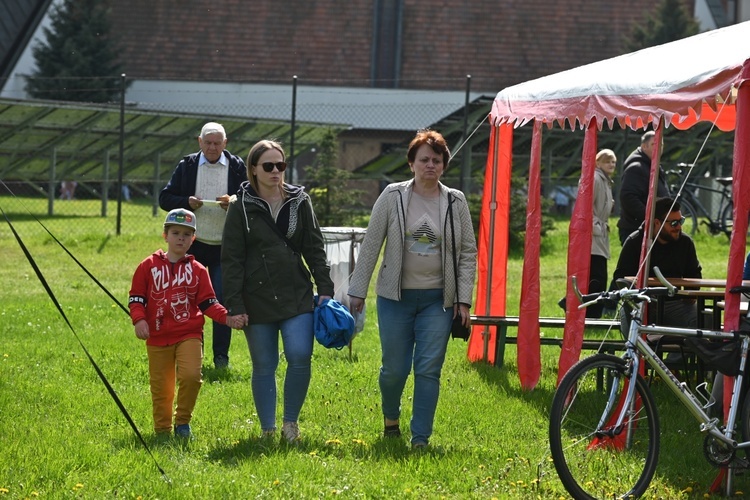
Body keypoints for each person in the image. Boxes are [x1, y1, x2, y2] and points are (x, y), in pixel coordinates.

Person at [347, 129, 477, 449]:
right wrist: (358, 289)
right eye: (424, 160)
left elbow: (467, 253)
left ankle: (421, 438)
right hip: (396, 298)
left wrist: (463, 300)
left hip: (438, 301)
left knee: (428, 368)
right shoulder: (392, 196)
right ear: (411, 163)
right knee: (395, 368)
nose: (430, 165)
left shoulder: (455, 201)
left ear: (444, 165)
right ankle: (391, 419)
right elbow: (372, 243)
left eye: (436, 160)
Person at [221, 139, 334, 443]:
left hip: (296, 293)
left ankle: (290, 425)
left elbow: (314, 246)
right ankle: (268, 429)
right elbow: (231, 259)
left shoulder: (300, 200)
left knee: (300, 355)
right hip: (254, 298)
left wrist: (325, 287)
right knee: (264, 364)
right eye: (268, 166)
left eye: (280, 165)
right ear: (254, 169)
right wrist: (234, 304)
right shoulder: (240, 205)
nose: (275, 171)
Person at [128, 208, 248, 438]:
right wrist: (139, 320)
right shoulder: (148, 266)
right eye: (175, 232)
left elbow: (209, 304)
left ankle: (182, 423)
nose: (180, 238)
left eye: (186, 234)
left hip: (189, 334)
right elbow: (136, 298)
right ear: (165, 235)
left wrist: (228, 318)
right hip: (157, 336)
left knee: (191, 376)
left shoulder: (198, 270)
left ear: (194, 238)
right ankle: (162, 429)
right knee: (162, 387)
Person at [159, 122, 246, 370]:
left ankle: (221, 358)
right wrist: (186, 202)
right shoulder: (187, 165)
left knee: (219, 302)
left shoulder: (237, 166)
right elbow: (164, 198)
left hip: (224, 247)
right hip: (192, 247)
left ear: (225, 144)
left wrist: (234, 201)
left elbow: (252, 196)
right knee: (185, 301)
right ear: (199, 142)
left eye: (217, 143)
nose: (212, 147)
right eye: (208, 142)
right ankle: (188, 355)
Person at [612, 197, 702, 328]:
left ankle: (686, 348)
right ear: (657, 223)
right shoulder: (636, 242)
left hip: (675, 304)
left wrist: (690, 292)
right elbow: (620, 278)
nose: (678, 227)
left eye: (681, 221)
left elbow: (694, 274)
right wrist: (638, 298)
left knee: (704, 319)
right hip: (641, 303)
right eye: (673, 223)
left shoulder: (685, 242)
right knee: (633, 326)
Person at [617, 131, 670, 245]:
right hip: (636, 230)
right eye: (654, 144)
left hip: (653, 229)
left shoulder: (654, 166)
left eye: (661, 145)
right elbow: (628, 197)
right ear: (644, 146)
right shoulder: (636, 168)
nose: (659, 148)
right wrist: (650, 219)